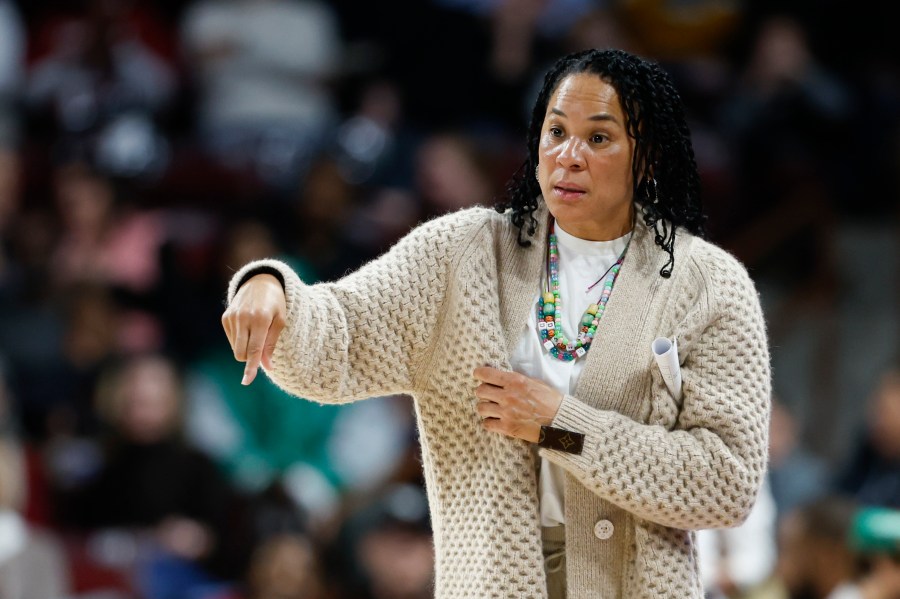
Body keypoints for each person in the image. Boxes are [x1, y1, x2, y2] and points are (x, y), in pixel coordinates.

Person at [222, 48, 771, 598]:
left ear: (649, 157)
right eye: (556, 132)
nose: (569, 155)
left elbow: (727, 483)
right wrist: (272, 288)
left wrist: (564, 427)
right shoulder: (464, 255)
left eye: (599, 138)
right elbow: (340, 335)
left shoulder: (709, 285)